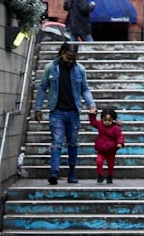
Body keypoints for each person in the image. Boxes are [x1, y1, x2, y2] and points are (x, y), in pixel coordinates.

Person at [33, 42, 97, 185]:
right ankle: (54, 172)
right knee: (57, 142)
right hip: (57, 111)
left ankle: (72, 172)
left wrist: (91, 105)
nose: (70, 61)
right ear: (62, 53)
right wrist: (38, 108)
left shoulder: (80, 69)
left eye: (73, 58)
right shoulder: (51, 68)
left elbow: (85, 89)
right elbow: (43, 88)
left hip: (73, 111)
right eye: (68, 58)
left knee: (73, 143)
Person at [88, 107, 125, 184]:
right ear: (102, 119)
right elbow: (93, 122)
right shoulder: (100, 125)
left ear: (113, 120)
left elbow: (120, 136)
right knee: (99, 161)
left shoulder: (116, 128)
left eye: (109, 120)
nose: (107, 122)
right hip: (101, 149)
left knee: (110, 164)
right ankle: (100, 175)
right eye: (105, 120)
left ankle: (110, 176)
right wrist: (92, 115)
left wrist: (120, 143)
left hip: (111, 150)